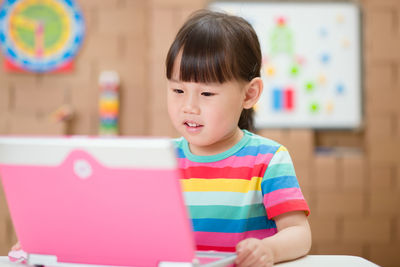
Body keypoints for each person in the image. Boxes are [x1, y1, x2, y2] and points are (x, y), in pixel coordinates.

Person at [166, 9, 311, 267]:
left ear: (249, 95)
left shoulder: (268, 160)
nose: (189, 106)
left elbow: (299, 234)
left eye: (207, 94)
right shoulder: (162, 159)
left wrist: (269, 249)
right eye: (178, 89)